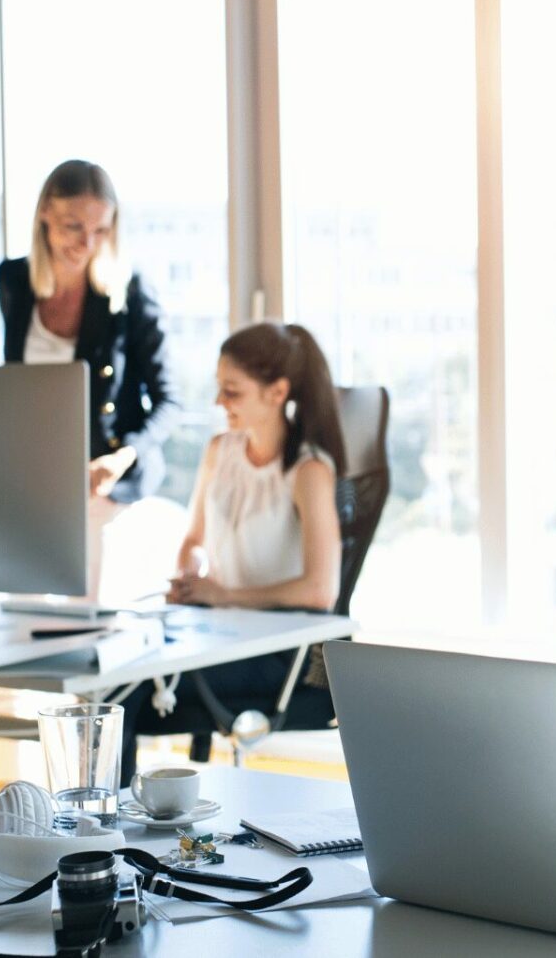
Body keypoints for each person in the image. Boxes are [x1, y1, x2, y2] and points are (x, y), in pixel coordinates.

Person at [121, 322, 346, 773]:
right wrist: (192, 577)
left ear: (277, 392)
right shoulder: (219, 451)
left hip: (278, 651)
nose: (218, 402)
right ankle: (100, 825)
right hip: (217, 634)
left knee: (123, 693)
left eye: (232, 391)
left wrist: (224, 596)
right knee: (110, 672)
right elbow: (193, 541)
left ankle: (103, 830)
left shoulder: (308, 471)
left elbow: (321, 590)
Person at [0, 159, 173, 598]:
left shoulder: (128, 293)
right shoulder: (14, 281)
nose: (87, 242)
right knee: (19, 602)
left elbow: (169, 401)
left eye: (101, 230)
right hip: (39, 472)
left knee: (84, 605)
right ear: (43, 215)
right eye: (73, 226)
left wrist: (122, 457)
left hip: (108, 476)